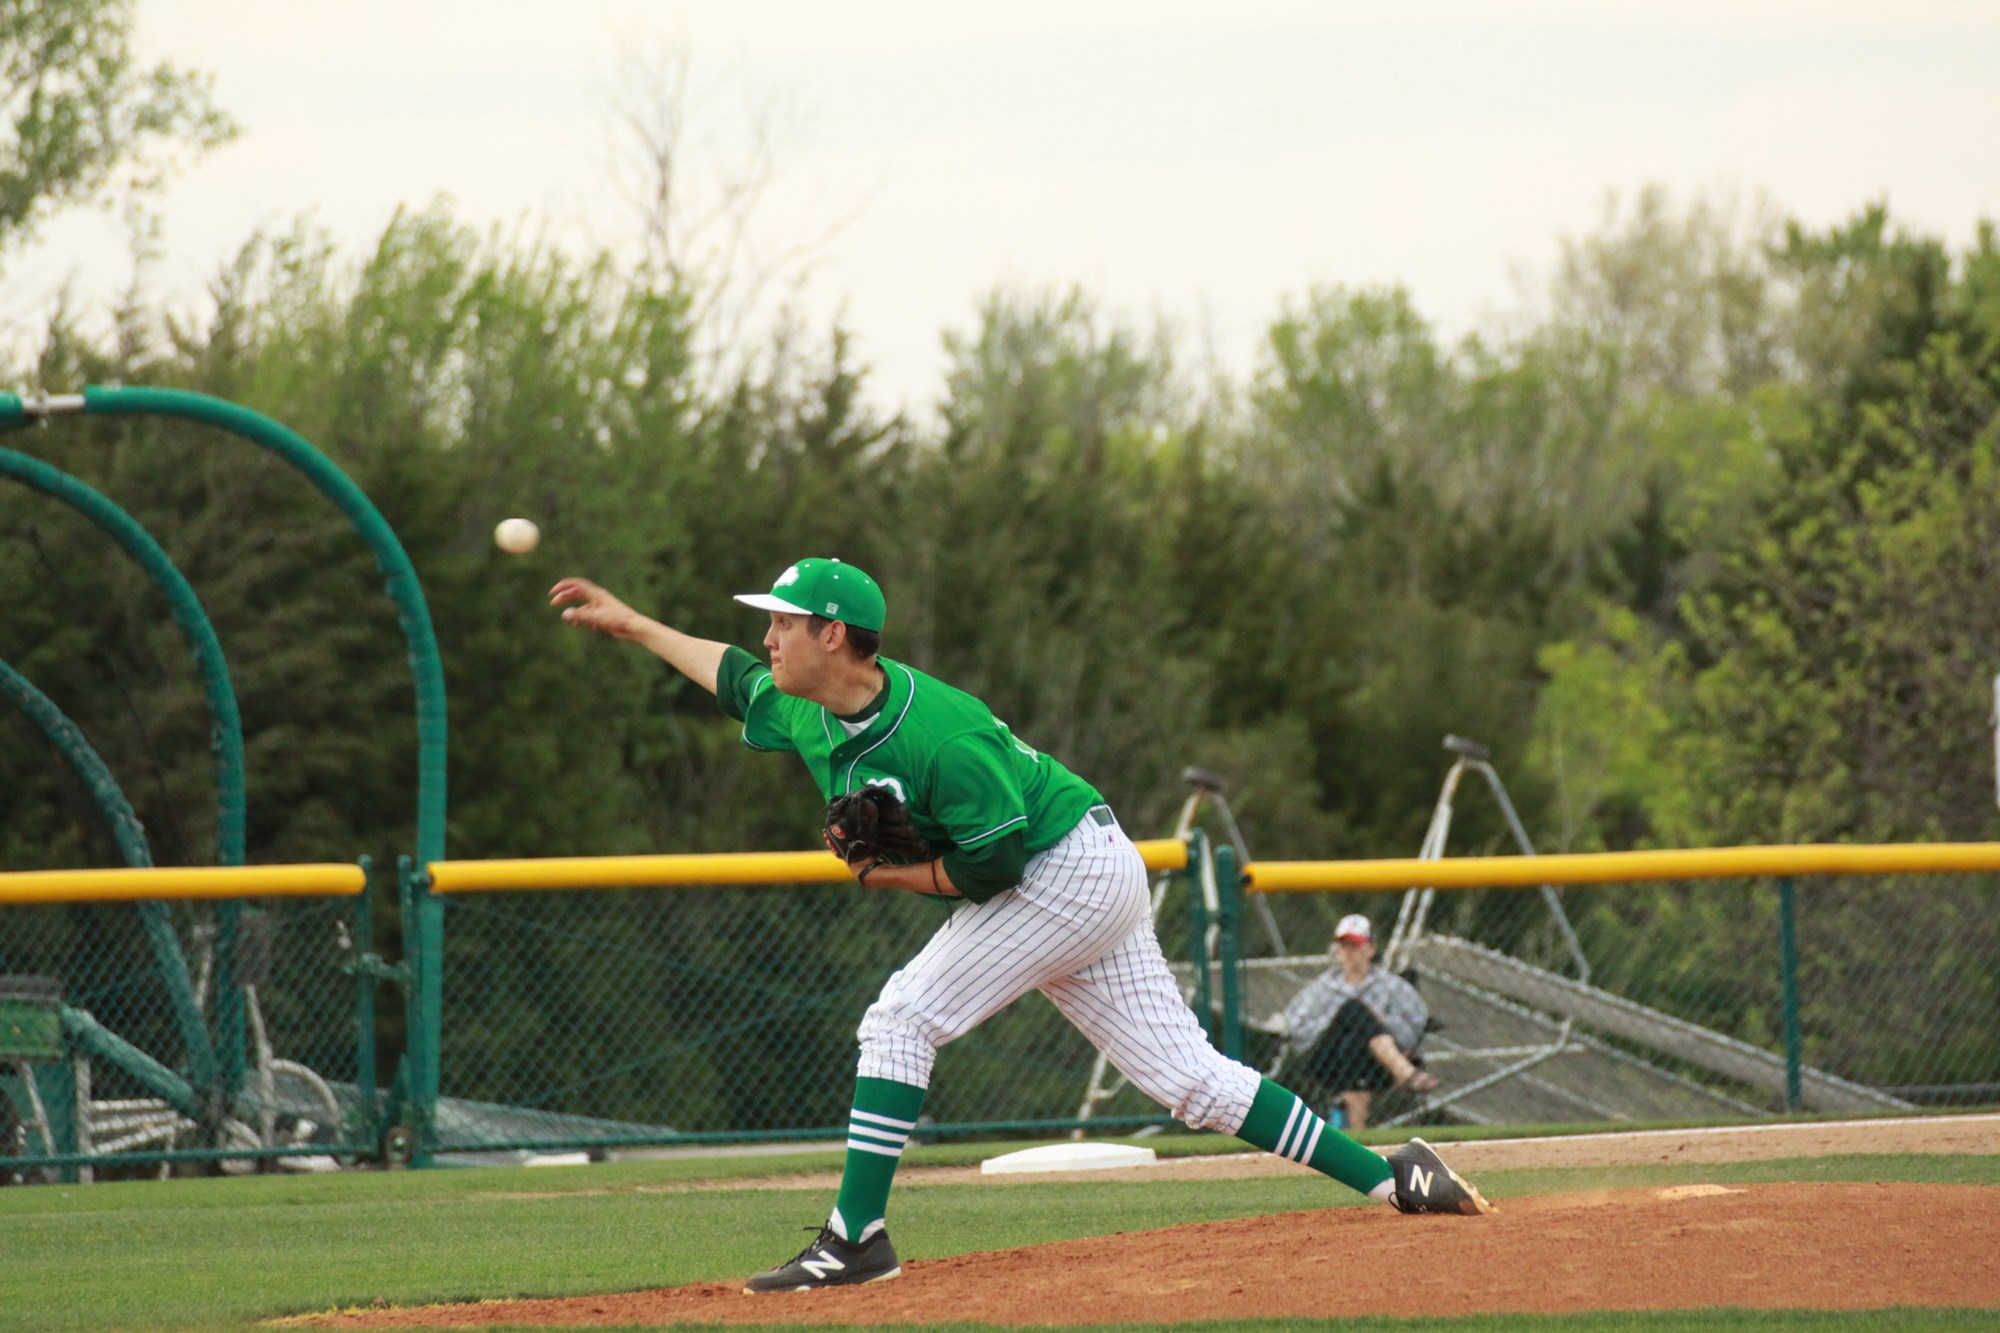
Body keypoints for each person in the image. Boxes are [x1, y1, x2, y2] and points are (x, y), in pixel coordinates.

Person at [551, 557, 1493, 1294]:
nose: (768, 637)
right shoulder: (804, 706)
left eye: (784, 622)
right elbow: (725, 677)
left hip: (1065, 871)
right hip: (1077, 872)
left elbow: (993, 867)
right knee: (1191, 1080)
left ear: (833, 635)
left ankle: (855, 1240)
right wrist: (630, 622)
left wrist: (890, 875)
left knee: (899, 1017)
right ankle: (1393, 1176)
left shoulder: (940, 735)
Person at [1275, 914, 1440, 1131]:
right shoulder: (1319, 989)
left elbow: (1416, 1026)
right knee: (1353, 1010)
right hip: (1325, 1062)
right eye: (1344, 946)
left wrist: (1382, 1023)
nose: (1349, 952)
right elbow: (1297, 1030)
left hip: (1376, 1066)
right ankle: (1406, 1074)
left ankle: (1356, 1136)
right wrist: (1339, 1020)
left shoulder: (1393, 987)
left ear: (1370, 949)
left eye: (1356, 945)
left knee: (1353, 1040)